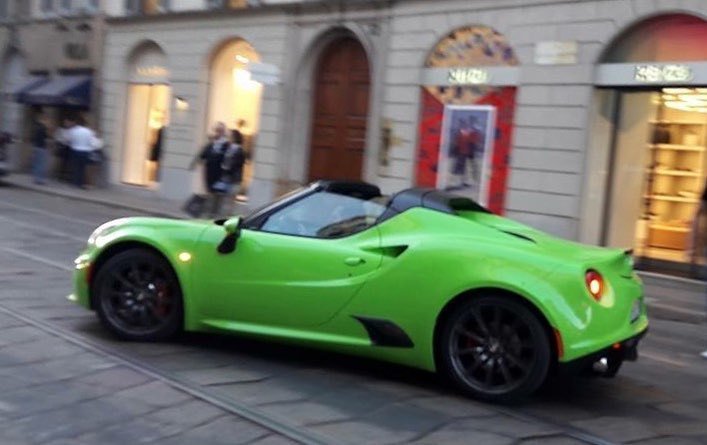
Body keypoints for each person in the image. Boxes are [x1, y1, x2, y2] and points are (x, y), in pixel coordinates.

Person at [190, 122, 245, 217]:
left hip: (221, 179)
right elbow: (202, 155)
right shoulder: (211, 144)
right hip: (211, 178)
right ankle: (210, 217)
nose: (218, 133)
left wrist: (226, 170)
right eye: (217, 130)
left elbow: (231, 162)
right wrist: (194, 163)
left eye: (220, 131)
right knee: (212, 202)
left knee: (221, 203)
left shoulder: (228, 146)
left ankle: (216, 218)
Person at [66, 115, 99, 189]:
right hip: (85, 152)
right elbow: (92, 143)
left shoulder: (73, 131)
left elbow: (68, 140)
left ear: (77, 123)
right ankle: (81, 183)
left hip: (75, 151)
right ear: (85, 123)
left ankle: (75, 182)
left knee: (75, 167)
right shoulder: (89, 132)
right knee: (82, 168)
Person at [31, 108, 50, 185]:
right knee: (41, 164)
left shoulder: (37, 127)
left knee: (37, 163)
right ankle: (40, 180)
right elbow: (45, 138)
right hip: (42, 147)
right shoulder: (43, 128)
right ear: (44, 120)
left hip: (36, 147)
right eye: (47, 120)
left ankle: (36, 178)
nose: (48, 122)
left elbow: (35, 137)